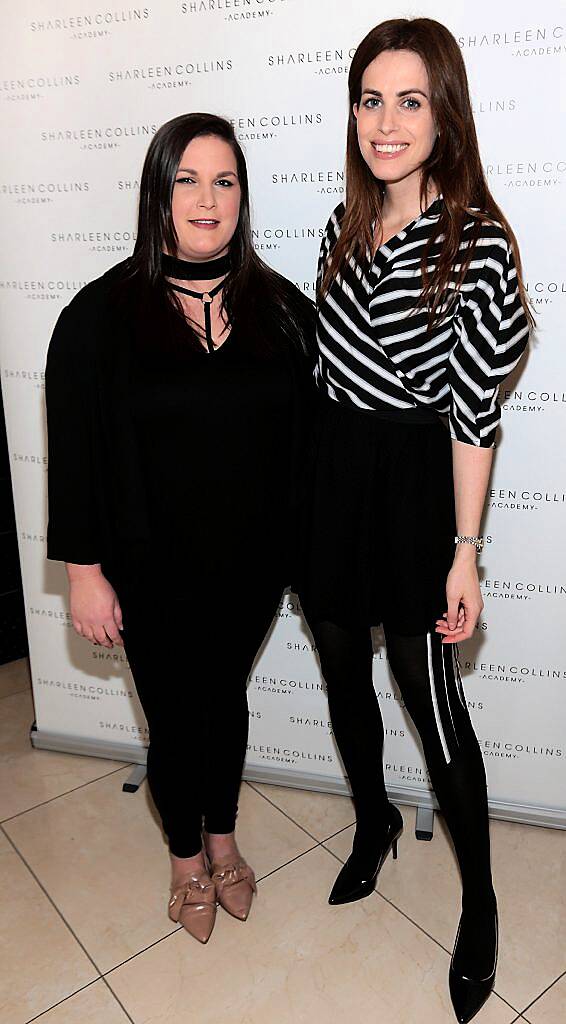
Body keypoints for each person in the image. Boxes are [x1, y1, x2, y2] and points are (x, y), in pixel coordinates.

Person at [299, 18, 531, 1024]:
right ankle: (372, 820)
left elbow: (472, 413)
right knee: (340, 661)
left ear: (443, 114)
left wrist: (463, 552)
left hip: (410, 488)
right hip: (328, 476)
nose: (383, 122)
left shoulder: (474, 244)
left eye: (406, 100)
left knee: (428, 694)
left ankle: (478, 902)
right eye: (367, 98)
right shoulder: (340, 226)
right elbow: (319, 374)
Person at [45, 112, 315, 944]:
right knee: (172, 713)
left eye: (224, 181)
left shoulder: (281, 311)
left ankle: (224, 837)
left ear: (243, 198)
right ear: (156, 195)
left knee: (223, 701)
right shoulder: (98, 316)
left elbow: (310, 447)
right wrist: (83, 570)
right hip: (146, 570)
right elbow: (77, 455)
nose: (207, 199)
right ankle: (184, 858)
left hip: (251, 568)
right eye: (186, 180)